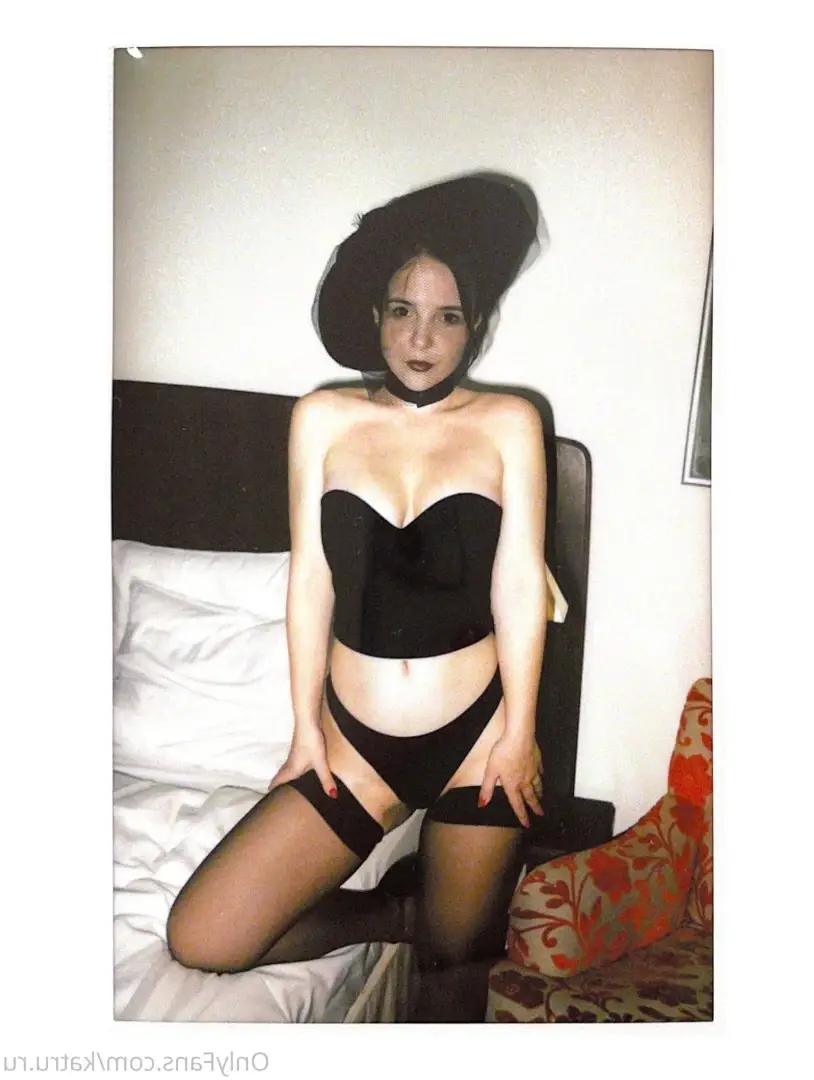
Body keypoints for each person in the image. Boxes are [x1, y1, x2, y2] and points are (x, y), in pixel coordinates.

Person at [166, 173, 548, 1022]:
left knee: (458, 954)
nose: (422, 337)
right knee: (203, 939)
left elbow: (520, 581)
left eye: (448, 316)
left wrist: (518, 735)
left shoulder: (510, 423)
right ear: (375, 315)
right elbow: (311, 578)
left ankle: (430, 920)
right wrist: (306, 730)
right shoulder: (322, 417)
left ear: (475, 326)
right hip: (355, 745)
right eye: (403, 310)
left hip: (476, 737)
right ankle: (393, 913)